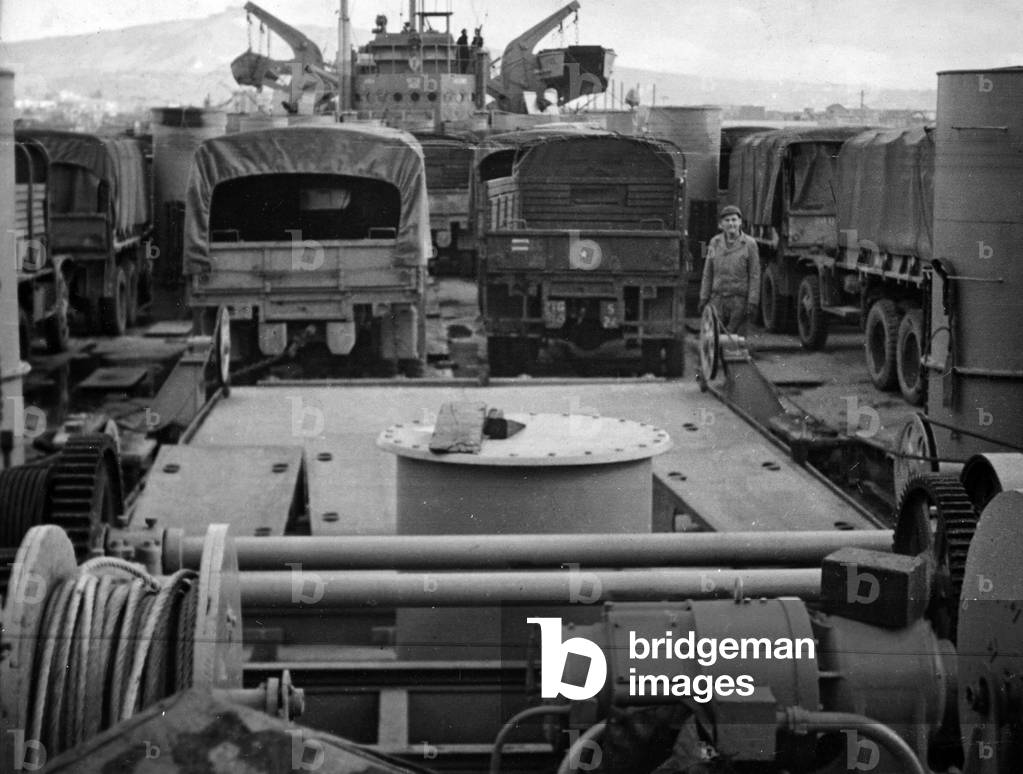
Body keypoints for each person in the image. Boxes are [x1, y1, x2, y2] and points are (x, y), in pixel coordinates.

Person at [699, 205, 760, 334]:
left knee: (736, 344)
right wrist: (703, 297)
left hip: (739, 303)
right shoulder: (713, 242)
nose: (731, 223)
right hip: (717, 300)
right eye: (727, 220)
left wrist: (753, 301)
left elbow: (755, 275)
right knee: (715, 342)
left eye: (734, 220)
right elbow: (707, 272)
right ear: (721, 224)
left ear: (740, 222)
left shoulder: (750, 244)